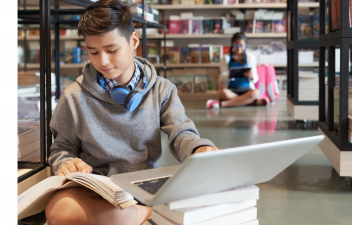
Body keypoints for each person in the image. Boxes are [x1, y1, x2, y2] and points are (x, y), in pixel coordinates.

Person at [44, 1, 219, 225]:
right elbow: (61, 148)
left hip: (146, 185)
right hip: (97, 189)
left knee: (216, 194)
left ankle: (131, 216)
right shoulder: (73, 96)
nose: (102, 61)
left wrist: (199, 148)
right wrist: (65, 162)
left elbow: (181, 132)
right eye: (93, 52)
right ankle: (148, 215)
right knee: (60, 211)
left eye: (112, 50)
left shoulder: (162, 89)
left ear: (133, 41)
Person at [206, 33, 268, 109]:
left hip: (246, 89)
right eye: (236, 45)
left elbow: (255, 79)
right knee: (223, 93)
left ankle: (222, 104)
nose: (239, 48)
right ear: (232, 44)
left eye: (241, 46)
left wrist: (251, 76)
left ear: (245, 45)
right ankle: (250, 102)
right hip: (231, 89)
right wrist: (231, 74)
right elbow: (222, 78)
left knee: (256, 92)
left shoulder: (250, 57)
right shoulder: (225, 58)